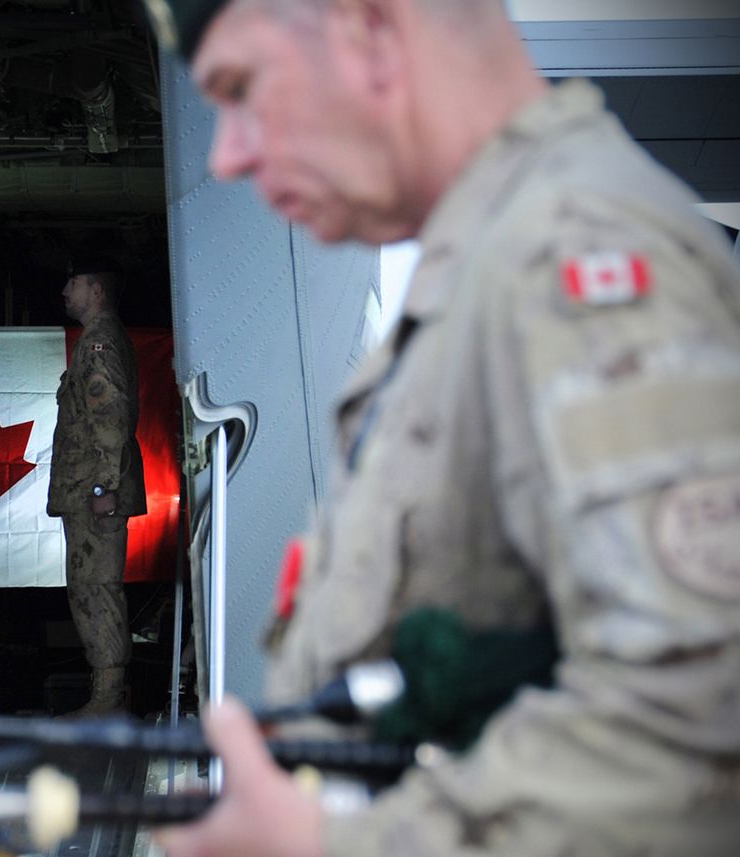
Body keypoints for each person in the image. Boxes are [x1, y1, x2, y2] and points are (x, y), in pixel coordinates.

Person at [140, 0, 740, 854]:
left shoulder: (574, 261)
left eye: (246, 89)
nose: (230, 153)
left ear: (371, 30)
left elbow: (693, 734)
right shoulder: (478, 278)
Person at [47, 255, 147, 716]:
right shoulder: (95, 340)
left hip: (94, 492)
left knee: (96, 587)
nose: (66, 291)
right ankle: (104, 695)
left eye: (74, 281)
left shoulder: (99, 343)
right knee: (89, 586)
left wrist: (104, 486)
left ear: (97, 291)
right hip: (89, 490)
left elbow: (110, 417)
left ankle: (108, 700)